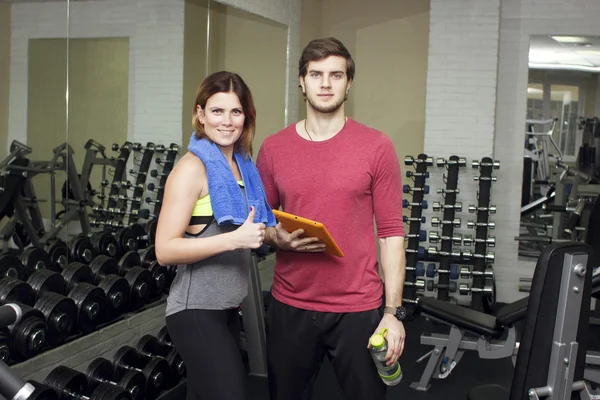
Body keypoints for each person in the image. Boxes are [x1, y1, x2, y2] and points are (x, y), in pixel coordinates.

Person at [256, 37, 407, 400]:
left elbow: (390, 234)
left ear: (348, 83)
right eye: (316, 74)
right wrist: (276, 238)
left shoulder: (377, 146)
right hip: (290, 305)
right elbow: (258, 223)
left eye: (335, 75)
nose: (325, 83)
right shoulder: (274, 148)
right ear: (301, 81)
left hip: (358, 309)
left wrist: (392, 312)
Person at [155, 71, 276, 400]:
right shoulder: (191, 169)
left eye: (235, 112)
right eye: (217, 111)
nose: (227, 121)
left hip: (227, 309)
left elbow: (254, 228)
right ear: (200, 114)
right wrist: (234, 239)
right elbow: (164, 250)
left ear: (246, 117)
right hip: (195, 311)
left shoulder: (242, 166)